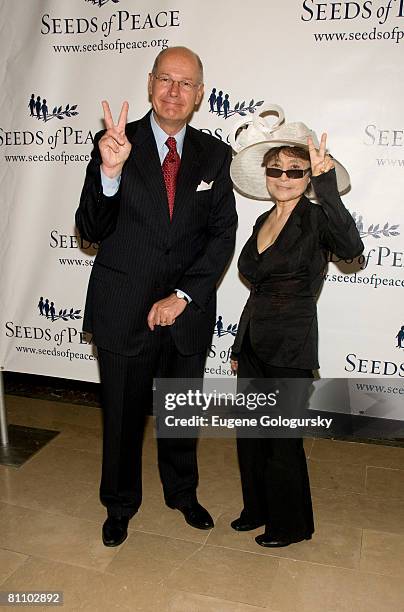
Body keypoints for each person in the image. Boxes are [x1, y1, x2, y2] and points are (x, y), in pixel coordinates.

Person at [75, 46, 237, 547]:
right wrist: (110, 173)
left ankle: (182, 493)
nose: (174, 91)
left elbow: (222, 234)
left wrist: (184, 295)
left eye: (185, 83)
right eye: (165, 80)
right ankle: (119, 506)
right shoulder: (115, 143)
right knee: (122, 417)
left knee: (180, 408)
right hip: (123, 306)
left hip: (185, 311)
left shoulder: (216, 155)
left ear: (200, 94)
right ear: (150, 84)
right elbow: (90, 228)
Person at [228, 107, 363, 548]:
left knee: (282, 439)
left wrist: (327, 188)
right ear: (266, 173)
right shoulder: (260, 220)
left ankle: (292, 525)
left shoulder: (317, 218)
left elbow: (351, 249)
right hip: (253, 341)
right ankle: (257, 509)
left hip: (291, 345)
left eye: (295, 170)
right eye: (276, 169)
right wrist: (237, 343)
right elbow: (257, 289)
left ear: (308, 176)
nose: (284, 177)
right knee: (251, 435)